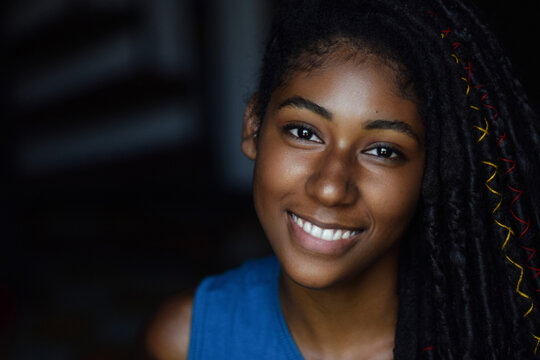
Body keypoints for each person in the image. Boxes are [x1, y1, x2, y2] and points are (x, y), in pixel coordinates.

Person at [143, 0, 540, 358]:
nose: (331, 187)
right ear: (253, 126)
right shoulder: (189, 339)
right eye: (304, 132)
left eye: (383, 151)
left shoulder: (484, 344)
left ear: (433, 171)